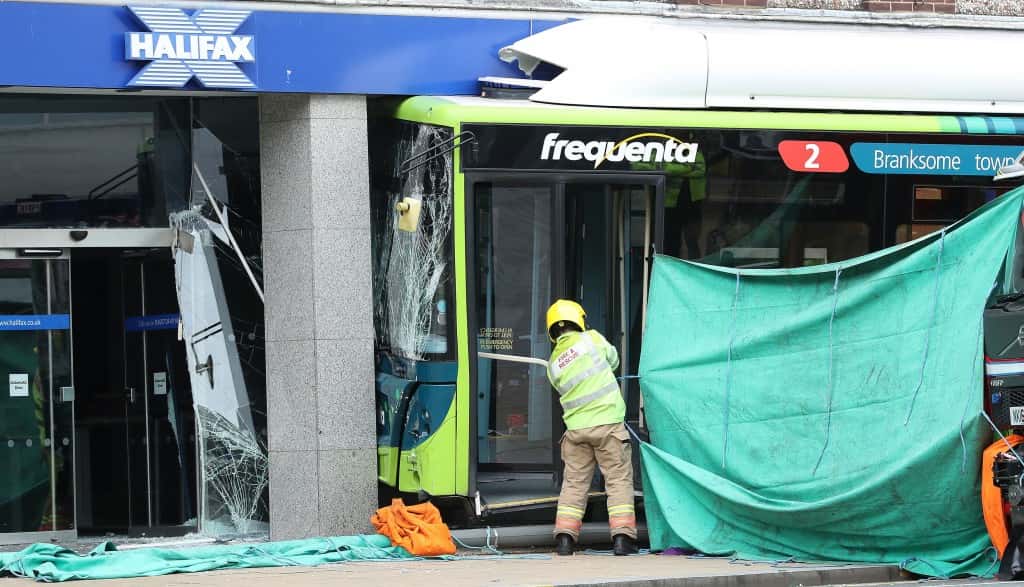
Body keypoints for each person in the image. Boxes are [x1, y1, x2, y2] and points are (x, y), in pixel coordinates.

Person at [545, 299, 638, 556]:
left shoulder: (552, 364)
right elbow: (614, 360)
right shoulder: (591, 339)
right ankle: (622, 539)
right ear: (579, 320)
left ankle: (565, 539)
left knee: (574, 484)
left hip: (576, 431)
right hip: (608, 425)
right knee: (618, 481)